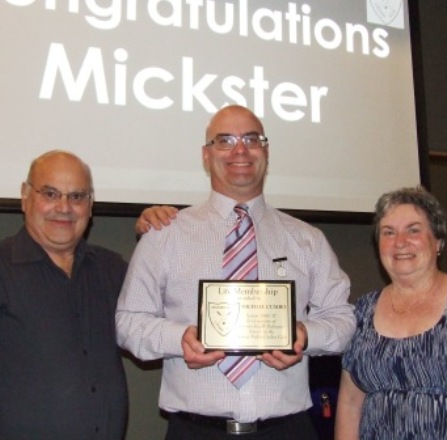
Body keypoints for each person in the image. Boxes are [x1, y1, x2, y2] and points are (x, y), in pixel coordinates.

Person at [116, 105, 356, 439]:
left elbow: (343, 320)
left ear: (266, 152)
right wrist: (178, 339)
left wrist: (306, 335)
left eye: (251, 139)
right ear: (206, 155)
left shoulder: (308, 240)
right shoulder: (165, 235)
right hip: (195, 430)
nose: (240, 150)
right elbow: (128, 322)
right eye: (225, 140)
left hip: (288, 430)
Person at [0, 150, 129, 439]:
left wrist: (161, 229)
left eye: (77, 197)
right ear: (25, 196)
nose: (64, 207)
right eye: (50, 193)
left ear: (91, 205)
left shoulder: (112, 268)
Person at [335, 186, 447, 439]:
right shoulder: (364, 311)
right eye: (388, 232)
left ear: (438, 242)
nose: (400, 242)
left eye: (413, 230)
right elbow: (350, 403)